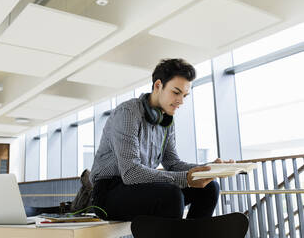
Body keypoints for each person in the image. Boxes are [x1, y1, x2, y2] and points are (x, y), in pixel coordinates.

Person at [90, 58, 233, 221]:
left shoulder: (166, 121)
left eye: (185, 95)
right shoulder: (128, 113)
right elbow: (130, 173)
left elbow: (173, 164)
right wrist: (186, 179)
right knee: (171, 195)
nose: (181, 101)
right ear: (158, 86)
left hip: (140, 187)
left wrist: (208, 169)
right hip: (108, 192)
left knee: (210, 187)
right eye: (176, 92)